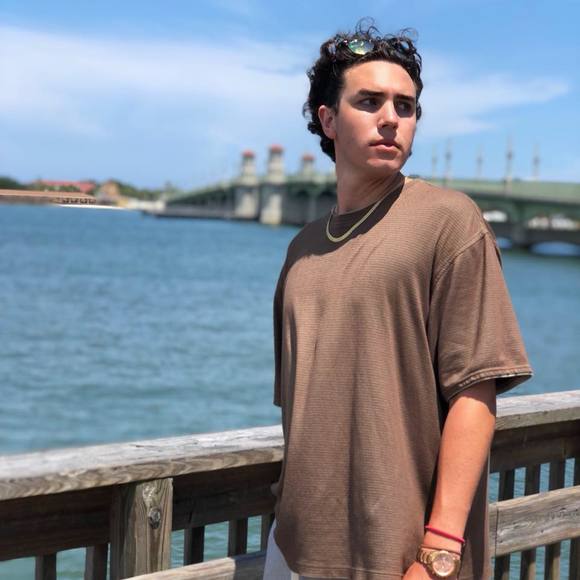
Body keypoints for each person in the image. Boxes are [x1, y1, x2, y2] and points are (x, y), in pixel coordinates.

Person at [263, 21, 533, 580]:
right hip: (293, 549)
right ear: (328, 120)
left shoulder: (449, 222)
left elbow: (475, 391)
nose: (391, 118)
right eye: (370, 101)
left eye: (405, 107)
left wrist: (438, 554)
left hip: (403, 557)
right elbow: (301, 405)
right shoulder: (301, 249)